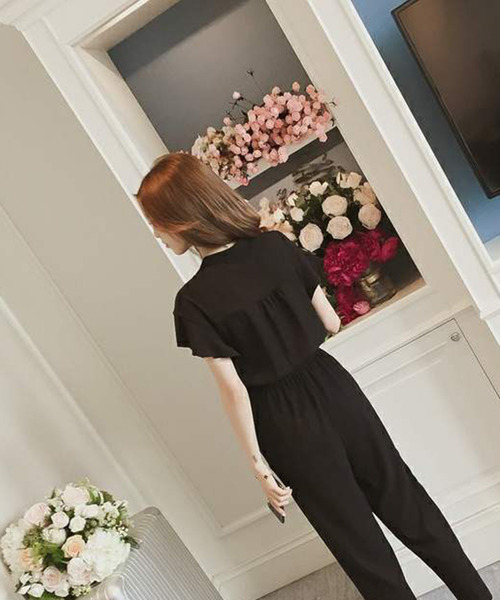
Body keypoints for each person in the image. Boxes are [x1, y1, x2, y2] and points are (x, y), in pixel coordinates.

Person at [134, 152, 492, 600]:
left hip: (282, 420)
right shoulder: (275, 246)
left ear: (183, 219)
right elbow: (330, 322)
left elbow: (233, 389)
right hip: (333, 386)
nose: (156, 232)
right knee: (405, 500)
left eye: (156, 222)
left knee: (356, 541)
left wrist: (256, 463)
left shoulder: (193, 302)